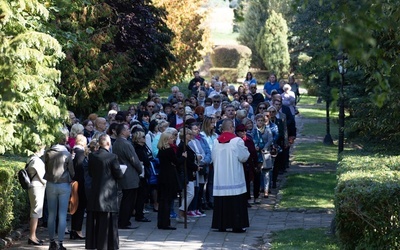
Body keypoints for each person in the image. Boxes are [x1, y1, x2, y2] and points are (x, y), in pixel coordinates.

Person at [85, 134, 124, 250]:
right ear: (108, 143)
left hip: (95, 192)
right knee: (107, 221)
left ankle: (95, 244)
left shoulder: (92, 156)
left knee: (95, 221)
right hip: (108, 194)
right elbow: (119, 174)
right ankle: (109, 244)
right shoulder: (112, 157)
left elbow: (91, 173)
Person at [211, 119, 250, 233]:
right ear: (232, 128)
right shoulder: (237, 141)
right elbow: (243, 157)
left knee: (221, 200)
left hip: (220, 177)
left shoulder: (215, 141)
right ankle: (236, 225)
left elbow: (213, 158)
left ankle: (221, 224)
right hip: (234, 176)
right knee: (236, 199)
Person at [44, 128, 75, 250]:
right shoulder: (67, 154)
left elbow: (45, 167)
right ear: (66, 138)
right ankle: (61, 243)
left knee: (51, 214)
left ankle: (52, 242)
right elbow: (72, 172)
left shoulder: (48, 152)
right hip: (64, 184)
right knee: (62, 214)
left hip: (51, 184)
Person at [112, 124, 143, 229]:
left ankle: (124, 221)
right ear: (122, 132)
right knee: (129, 200)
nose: (129, 131)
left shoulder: (116, 143)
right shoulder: (126, 144)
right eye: (127, 129)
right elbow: (134, 159)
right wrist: (140, 170)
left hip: (123, 173)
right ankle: (124, 221)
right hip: (129, 175)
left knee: (126, 198)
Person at [156, 132, 184, 230]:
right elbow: (177, 162)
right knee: (167, 200)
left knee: (163, 200)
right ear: (166, 140)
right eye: (171, 138)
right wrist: (183, 157)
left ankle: (161, 222)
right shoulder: (169, 150)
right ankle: (165, 223)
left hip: (162, 176)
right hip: (169, 176)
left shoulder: (161, 150)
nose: (173, 140)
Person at [26, 145, 46, 246]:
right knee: (36, 212)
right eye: (43, 148)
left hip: (34, 186)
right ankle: (32, 236)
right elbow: (42, 177)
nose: (44, 150)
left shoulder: (31, 159)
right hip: (37, 186)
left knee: (35, 211)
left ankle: (33, 236)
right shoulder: (37, 161)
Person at [70, 135, 87, 240]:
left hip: (73, 183)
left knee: (74, 206)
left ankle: (73, 229)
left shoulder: (73, 152)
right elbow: (81, 170)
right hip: (80, 184)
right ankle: (77, 230)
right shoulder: (80, 154)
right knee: (79, 207)